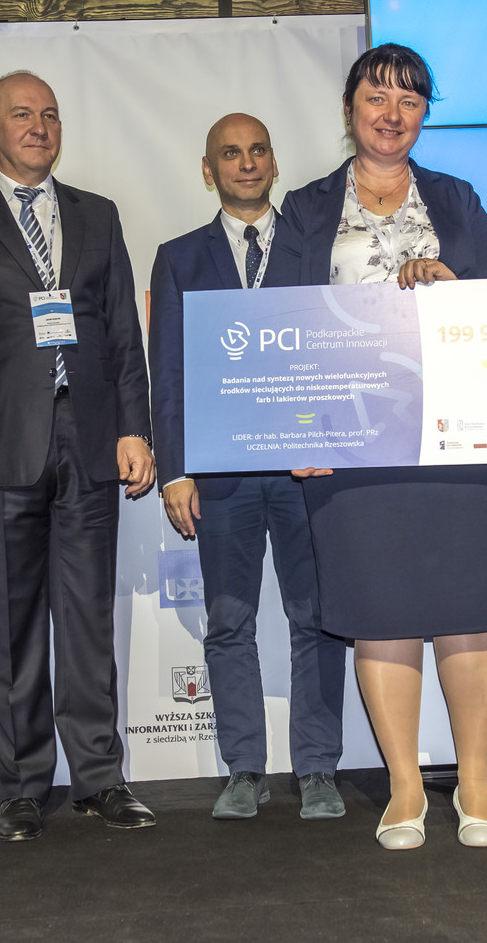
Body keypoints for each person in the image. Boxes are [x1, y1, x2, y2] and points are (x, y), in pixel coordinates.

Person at [270, 43, 487, 849]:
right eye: (377, 97)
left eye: (410, 101)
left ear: (424, 115)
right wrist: (296, 429)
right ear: (350, 108)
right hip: (350, 446)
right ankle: (405, 786)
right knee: (380, 612)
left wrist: (455, 286)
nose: (392, 113)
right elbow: (282, 324)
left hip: (458, 438)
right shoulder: (306, 208)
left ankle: (475, 784)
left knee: (470, 611)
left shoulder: (456, 197)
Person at [0, 70, 156, 843]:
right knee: (12, 621)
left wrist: (134, 427)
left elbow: (121, 329)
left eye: (50, 114)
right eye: (21, 114)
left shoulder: (97, 214)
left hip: (89, 437)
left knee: (88, 619)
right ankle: (23, 783)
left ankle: (99, 778)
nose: (38, 126)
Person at [149, 113, 347, 821]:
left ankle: (317, 769)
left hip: (304, 471)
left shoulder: (314, 247)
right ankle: (244, 769)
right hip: (220, 474)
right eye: (230, 154)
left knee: (315, 618)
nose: (246, 162)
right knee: (230, 621)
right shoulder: (179, 258)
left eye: (257, 150)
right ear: (209, 171)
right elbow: (167, 371)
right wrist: (174, 470)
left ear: (274, 162)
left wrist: (338, 446)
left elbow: (338, 351)